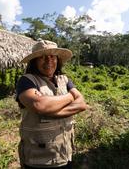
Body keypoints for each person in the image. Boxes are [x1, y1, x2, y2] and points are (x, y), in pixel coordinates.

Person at [16, 39, 88, 169]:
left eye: (52, 57)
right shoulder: (26, 81)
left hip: (65, 152)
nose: (49, 61)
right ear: (34, 62)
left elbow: (82, 103)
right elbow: (40, 105)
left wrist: (50, 110)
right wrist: (71, 96)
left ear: (57, 60)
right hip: (39, 159)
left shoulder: (64, 80)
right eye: (42, 57)